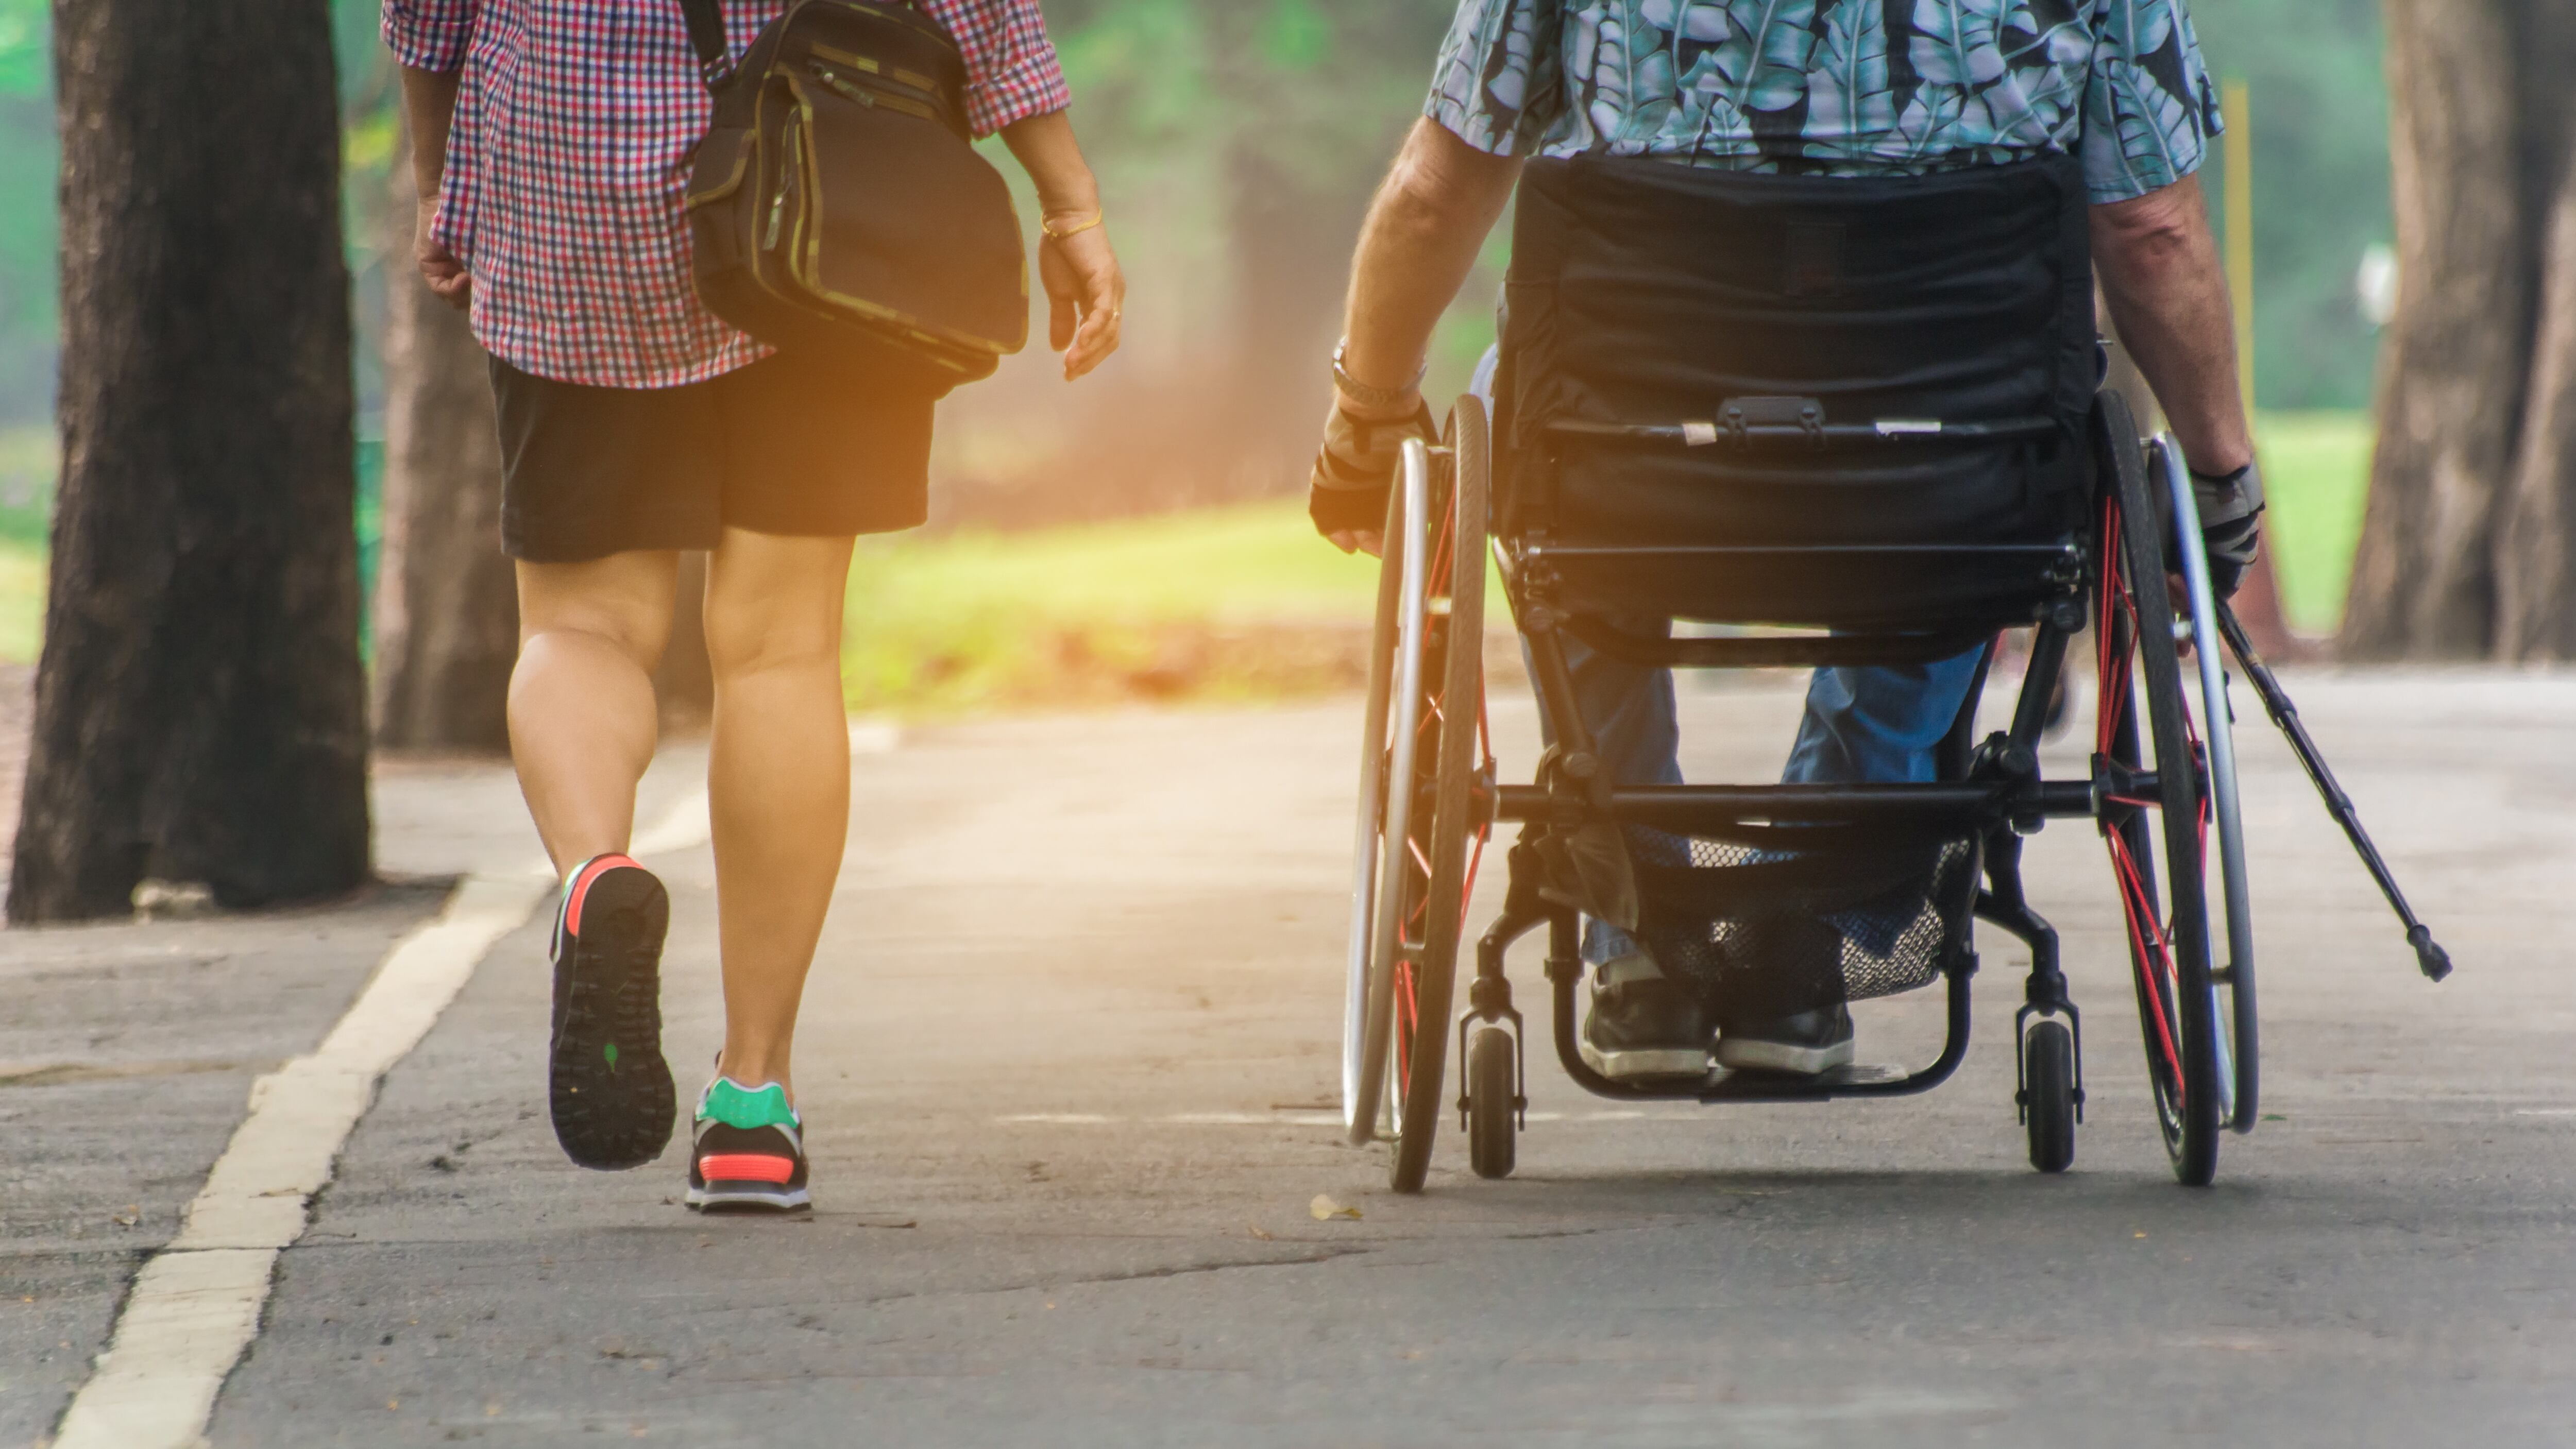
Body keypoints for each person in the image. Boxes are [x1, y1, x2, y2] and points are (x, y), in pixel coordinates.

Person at [1310, 2, 2261, 1081]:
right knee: (1986, 465)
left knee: (1525, 415)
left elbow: (1435, 194)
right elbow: (2154, 234)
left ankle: (1644, 938)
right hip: (1940, 475)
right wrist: (2222, 478)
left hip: (1636, 477)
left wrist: (1365, 417)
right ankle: (1799, 938)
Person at [386, 0, 1124, 1211]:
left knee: (583, 624)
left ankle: (591, 878)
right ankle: (750, 1107)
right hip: (826, 174)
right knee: (780, 647)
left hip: (571, 183)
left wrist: (441, 177)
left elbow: (427, 13)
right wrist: (1067, 198)